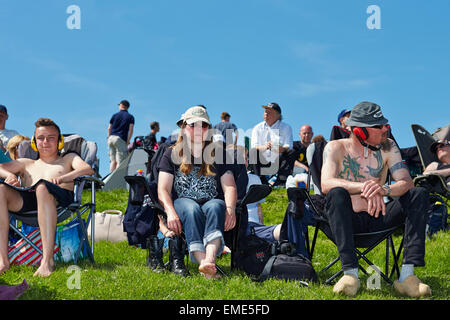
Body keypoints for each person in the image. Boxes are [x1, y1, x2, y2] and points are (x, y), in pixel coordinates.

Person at [321, 101, 431, 298]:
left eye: (385, 125)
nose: (385, 129)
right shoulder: (335, 147)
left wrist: (382, 189)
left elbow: (406, 182)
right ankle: (350, 275)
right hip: (348, 222)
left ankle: (407, 276)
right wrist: (364, 186)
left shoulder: (389, 146)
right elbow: (326, 183)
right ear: (360, 132)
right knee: (337, 193)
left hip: (380, 218)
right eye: (379, 126)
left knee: (418, 194)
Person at [0, 118, 94, 277]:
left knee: (42, 187)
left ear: (59, 141)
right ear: (34, 142)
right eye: (41, 138)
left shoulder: (68, 158)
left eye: (51, 137)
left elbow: (87, 169)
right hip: (29, 204)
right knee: (1, 189)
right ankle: (3, 260)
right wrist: (10, 176)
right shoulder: (26, 163)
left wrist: (64, 178)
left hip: (60, 203)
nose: (45, 142)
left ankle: (47, 261)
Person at [157, 105, 237, 279]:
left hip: (210, 201)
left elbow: (229, 185)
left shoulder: (219, 153)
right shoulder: (171, 153)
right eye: (193, 125)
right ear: (183, 127)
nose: (199, 129)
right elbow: (162, 189)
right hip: (182, 202)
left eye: (204, 125)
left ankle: (208, 261)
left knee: (217, 206)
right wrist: (170, 212)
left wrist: (230, 209)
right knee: (192, 209)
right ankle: (204, 264)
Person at [250, 102, 294, 186]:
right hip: (263, 158)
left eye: (269, 112)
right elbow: (254, 146)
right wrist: (266, 146)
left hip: (278, 158)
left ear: (278, 115)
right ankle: (260, 181)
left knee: (291, 153)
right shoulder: (257, 128)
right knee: (253, 152)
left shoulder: (286, 127)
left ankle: (281, 181)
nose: (266, 113)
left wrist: (280, 148)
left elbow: (289, 146)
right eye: (265, 111)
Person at [107, 100, 135, 172]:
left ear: (121, 105)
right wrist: (127, 141)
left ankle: (110, 178)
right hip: (120, 139)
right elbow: (131, 130)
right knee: (120, 161)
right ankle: (116, 179)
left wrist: (108, 137)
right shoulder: (130, 117)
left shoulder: (114, 115)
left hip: (111, 138)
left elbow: (109, 128)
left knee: (113, 161)